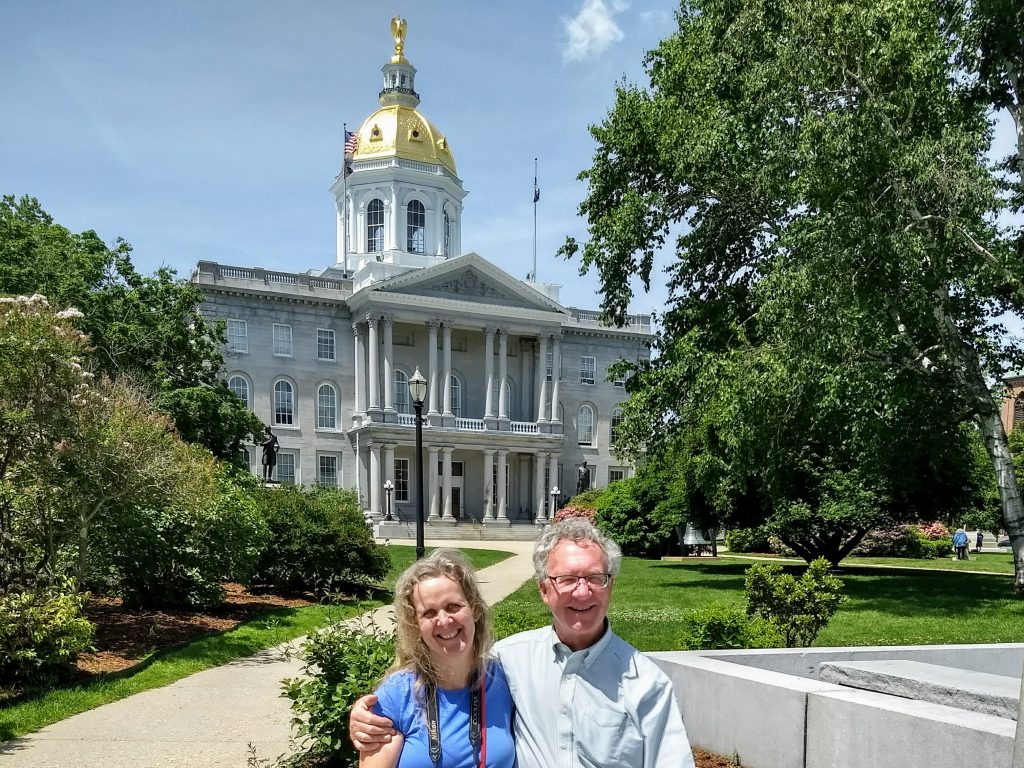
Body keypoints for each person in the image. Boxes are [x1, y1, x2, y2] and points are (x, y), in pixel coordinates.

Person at [352, 519, 695, 768]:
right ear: (544, 590)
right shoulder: (511, 661)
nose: (583, 591)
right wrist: (362, 716)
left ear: (611, 586)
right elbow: (442, 674)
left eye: (595, 578)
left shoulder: (648, 684)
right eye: (567, 579)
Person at [360, 548, 515, 768]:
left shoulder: (504, 678)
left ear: (476, 610)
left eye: (453, 606)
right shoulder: (396, 695)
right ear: (416, 624)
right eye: (429, 613)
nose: (444, 621)